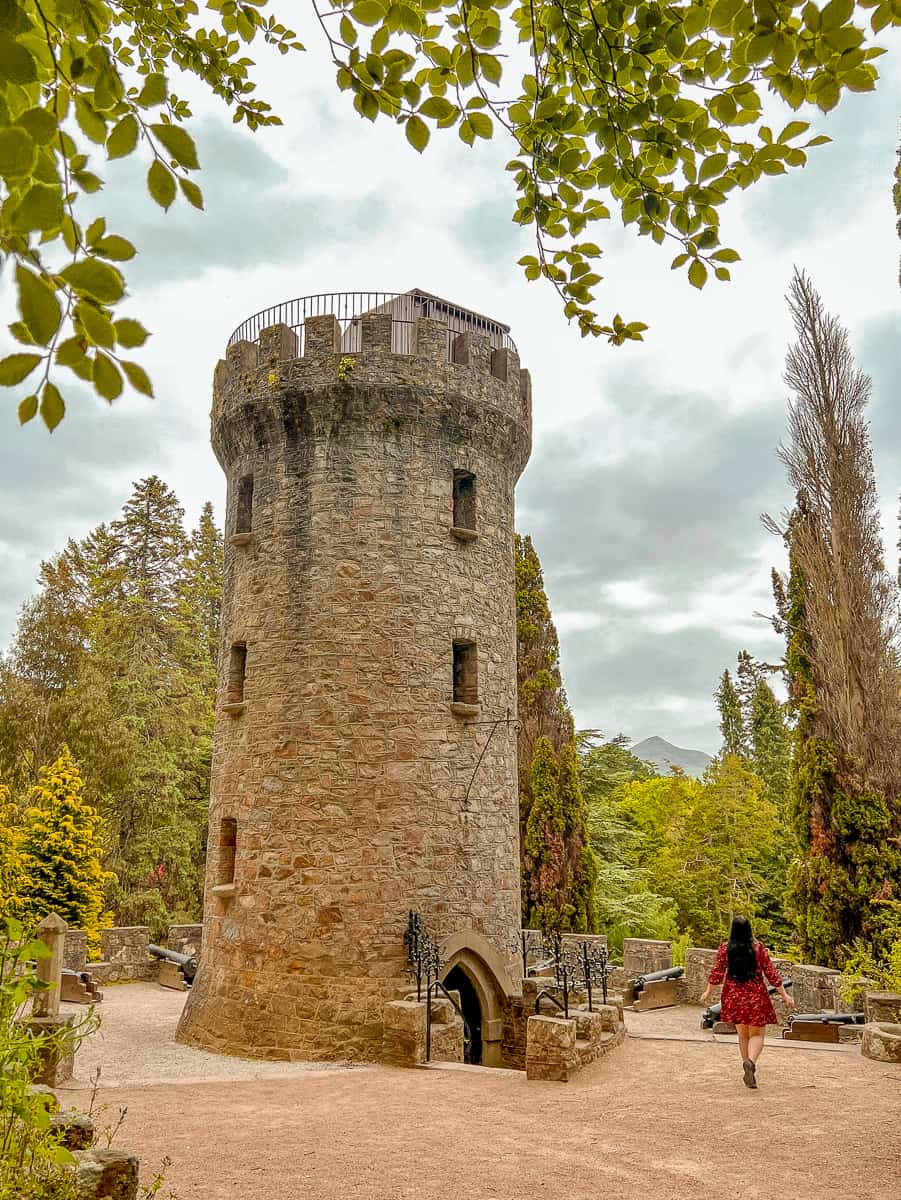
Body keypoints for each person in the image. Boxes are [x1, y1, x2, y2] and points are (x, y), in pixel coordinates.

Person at [699, 915, 793, 1089]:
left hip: (734, 996)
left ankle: (746, 1066)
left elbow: (716, 974)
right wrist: (785, 995)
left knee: (743, 1035)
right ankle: (751, 1062)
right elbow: (771, 974)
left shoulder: (725, 949)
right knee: (756, 1034)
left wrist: (707, 992)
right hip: (756, 996)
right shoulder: (758, 949)